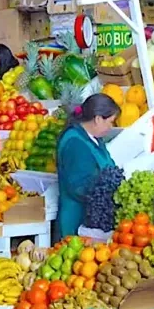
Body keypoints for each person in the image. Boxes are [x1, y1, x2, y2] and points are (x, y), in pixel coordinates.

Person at [55, 94, 121, 238]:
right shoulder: (75, 143)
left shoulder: (95, 139)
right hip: (76, 223)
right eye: (110, 122)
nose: (111, 127)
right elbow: (79, 186)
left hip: (92, 224)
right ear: (98, 119)